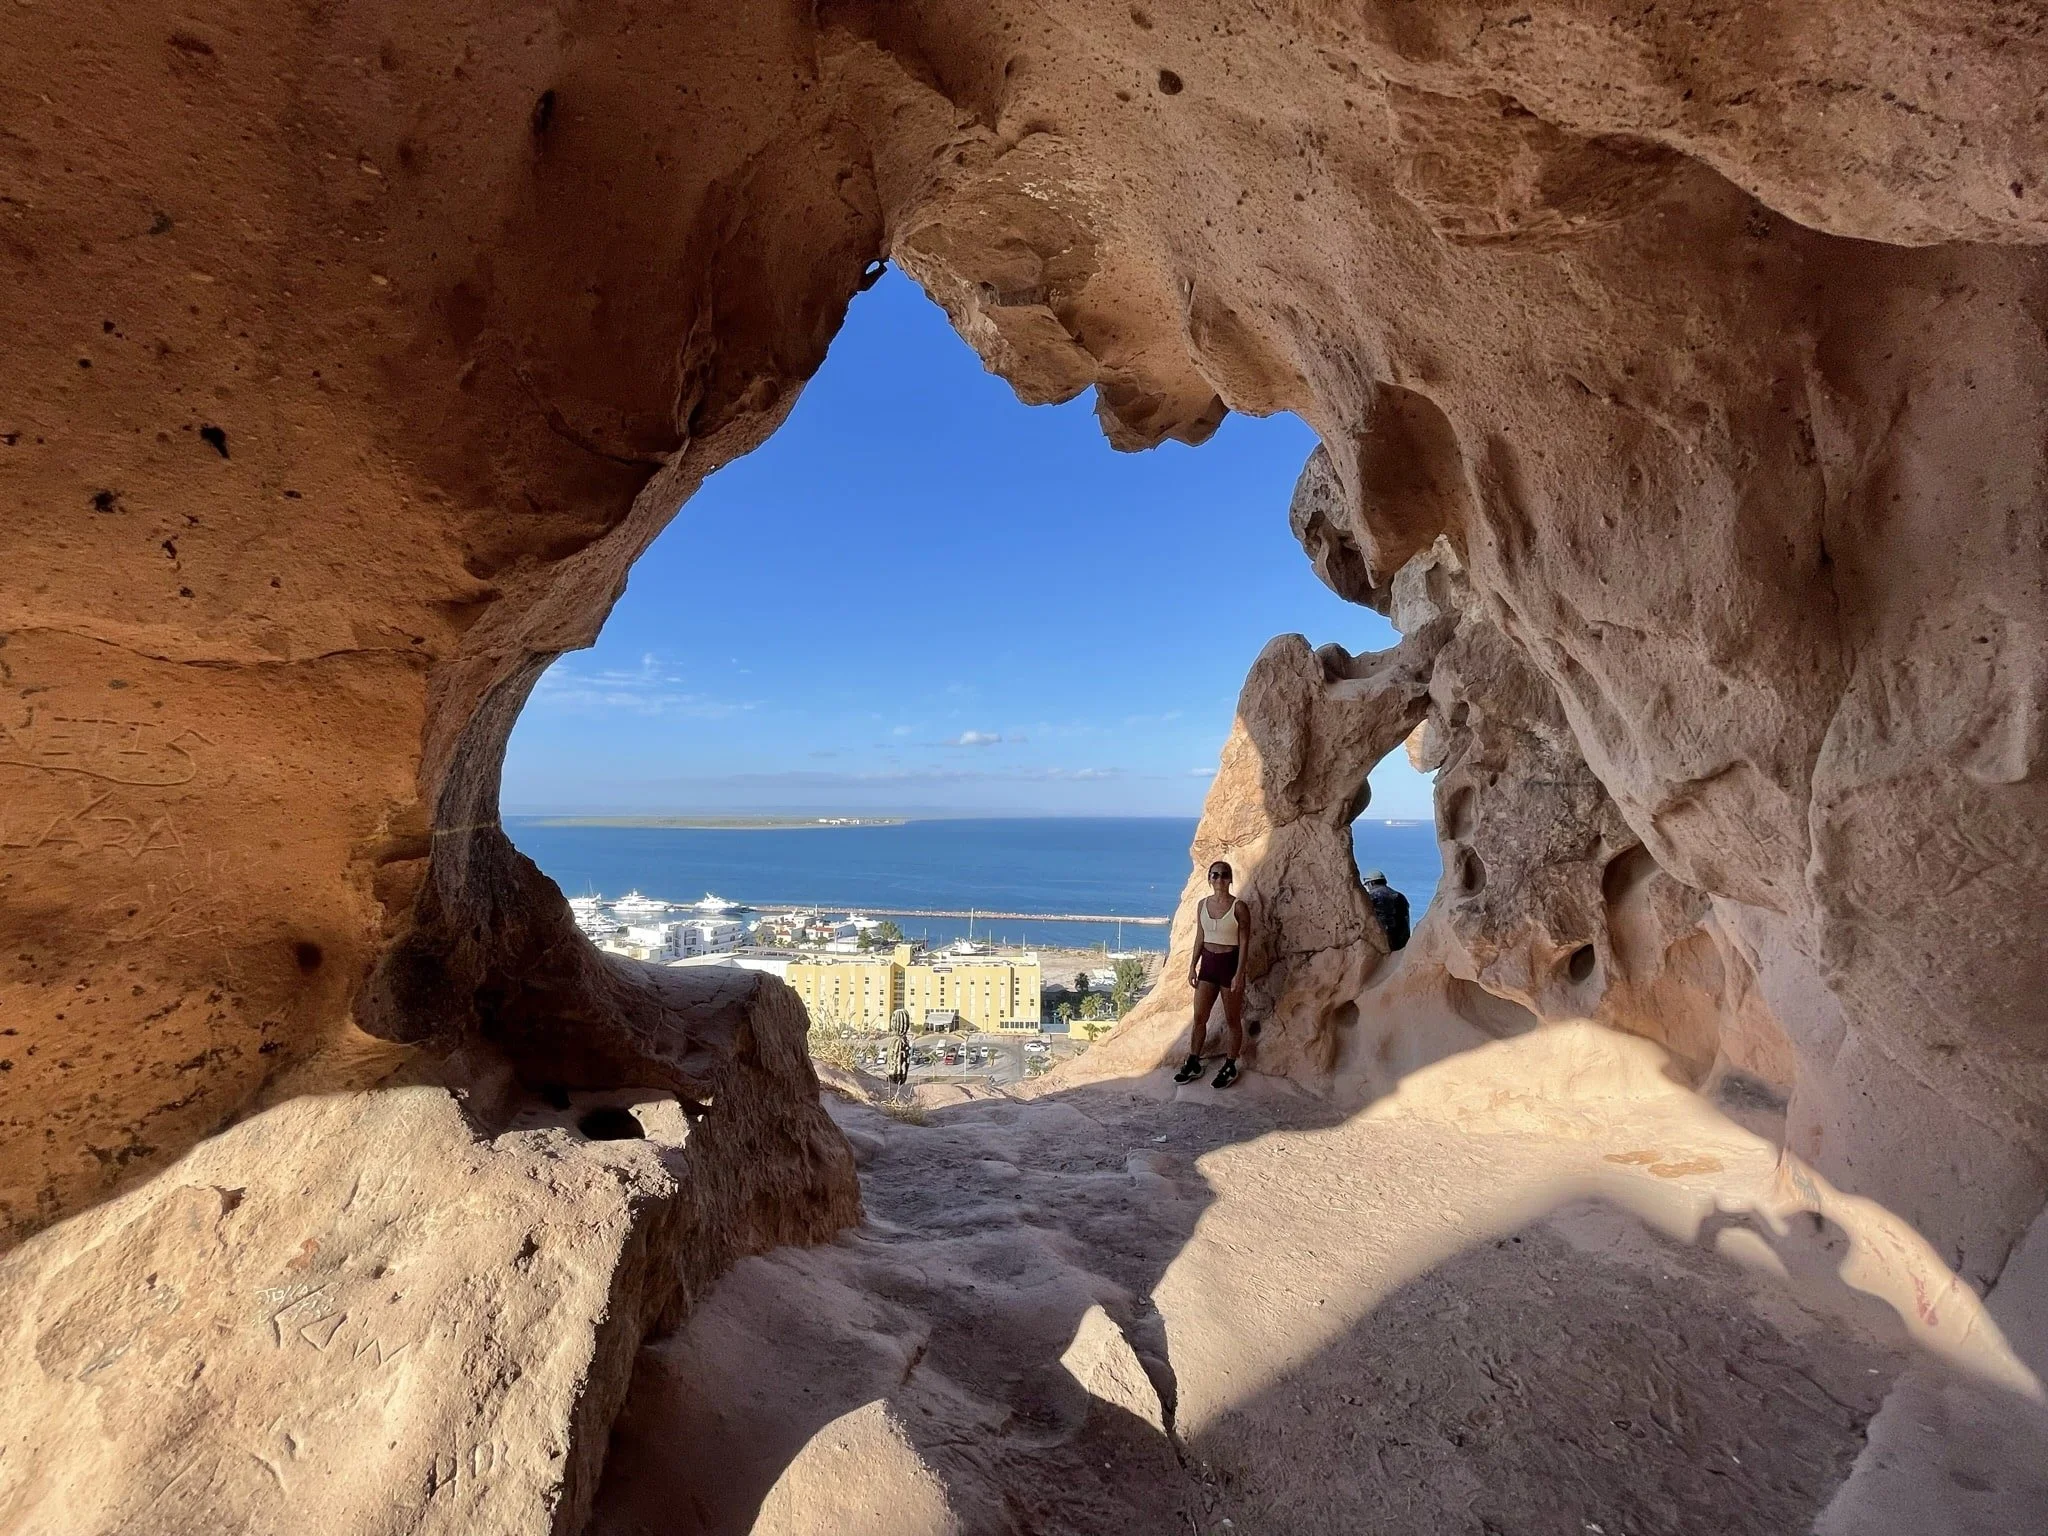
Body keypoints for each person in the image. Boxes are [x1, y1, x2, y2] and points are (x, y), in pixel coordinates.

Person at [1174, 860, 1252, 1089]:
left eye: (1224, 875)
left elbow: (1245, 942)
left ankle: (1230, 1064)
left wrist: (1239, 973)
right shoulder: (1202, 905)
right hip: (1208, 966)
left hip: (1229, 967)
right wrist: (1192, 966)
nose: (1219, 879)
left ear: (1230, 879)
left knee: (1232, 1020)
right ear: (1209, 879)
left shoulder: (1239, 907)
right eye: (1215, 875)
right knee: (1199, 1018)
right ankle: (1194, 1060)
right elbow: (1200, 936)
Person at [1362, 869, 1409, 951]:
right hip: (1402, 942)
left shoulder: (1372, 897)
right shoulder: (1400, 896)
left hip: (1383, 941)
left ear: (1371, 883)